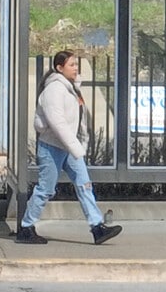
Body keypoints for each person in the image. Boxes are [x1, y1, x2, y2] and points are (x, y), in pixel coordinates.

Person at [14, 49, 120, 245]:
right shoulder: (54, 90)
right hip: (52, 147)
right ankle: (26, 227)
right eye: (72, 65)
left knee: (84, 185)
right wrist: (77, 148)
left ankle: (97, 227)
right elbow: (58, 123)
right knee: (45, 189)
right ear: (59, 68)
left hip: (69, 147)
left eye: (76, 64)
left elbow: (77, 120)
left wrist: (79, 144)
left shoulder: (70, 88)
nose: (76, 68)